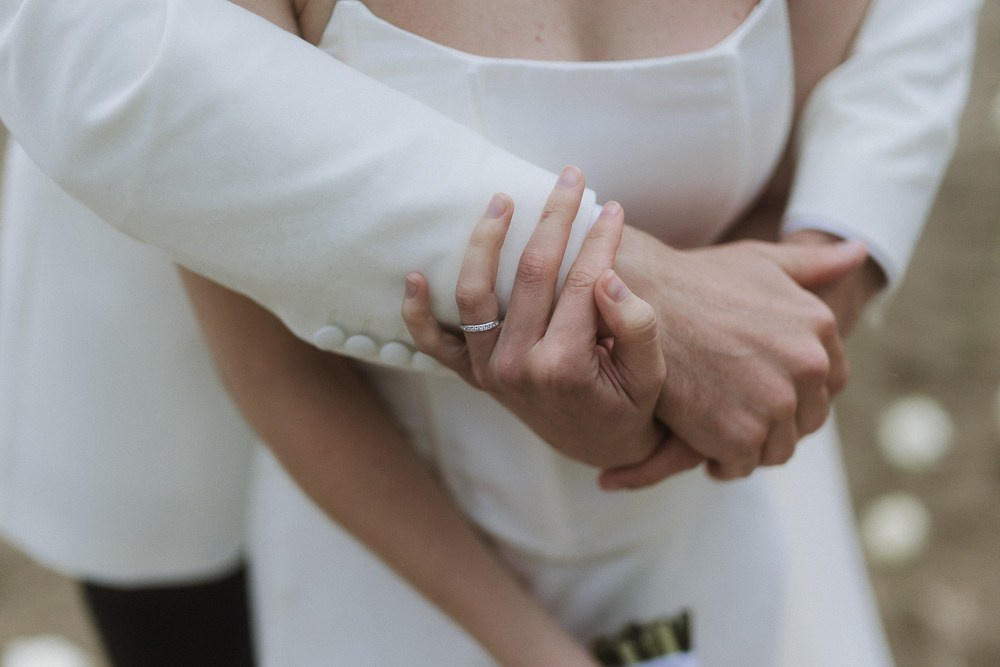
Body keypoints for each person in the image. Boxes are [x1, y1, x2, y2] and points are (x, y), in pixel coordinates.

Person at [0, 0, 981, 664]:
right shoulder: (222, 54)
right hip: (378, 524)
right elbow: (265, 346)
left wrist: (708, 386)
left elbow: (776, 263)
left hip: (713, 518)